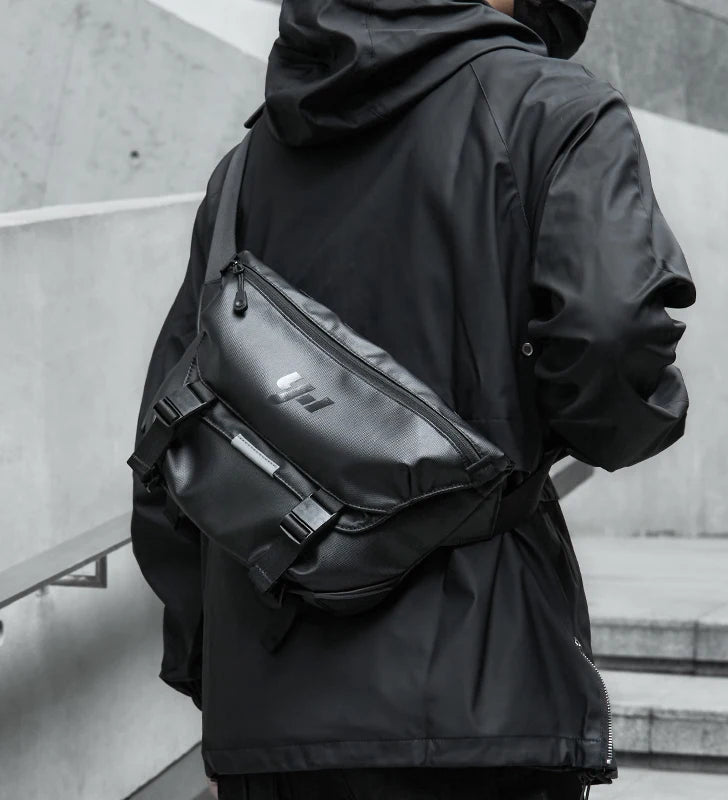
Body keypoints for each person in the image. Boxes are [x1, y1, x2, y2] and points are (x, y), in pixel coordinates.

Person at [130, 1, 696, 798]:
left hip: (271, 717)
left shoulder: (245, 171)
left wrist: (218, 667)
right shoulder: (554, 111)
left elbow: (169, 448)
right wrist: (613, 422)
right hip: (479, 698)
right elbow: (609, 335)